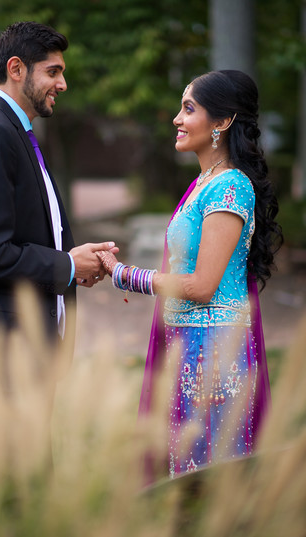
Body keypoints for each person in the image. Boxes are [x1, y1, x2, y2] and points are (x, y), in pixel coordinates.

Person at [98, 70, 283, 479]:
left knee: (209, 479)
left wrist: (125, 274)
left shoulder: (230, 187)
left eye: (188, 108)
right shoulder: (204, 184)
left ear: (222, 122)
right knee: (186, 479)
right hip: (190, 345)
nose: (177, 120)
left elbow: (202, 286)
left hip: (213, 351)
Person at [0, 21, 118, 388]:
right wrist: (66, 264)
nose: (62, 85)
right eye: (53, 72)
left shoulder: (15, 132)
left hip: (26, 348)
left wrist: (75, 263)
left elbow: (26, 231)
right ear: (16, 69)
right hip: (7, 351)